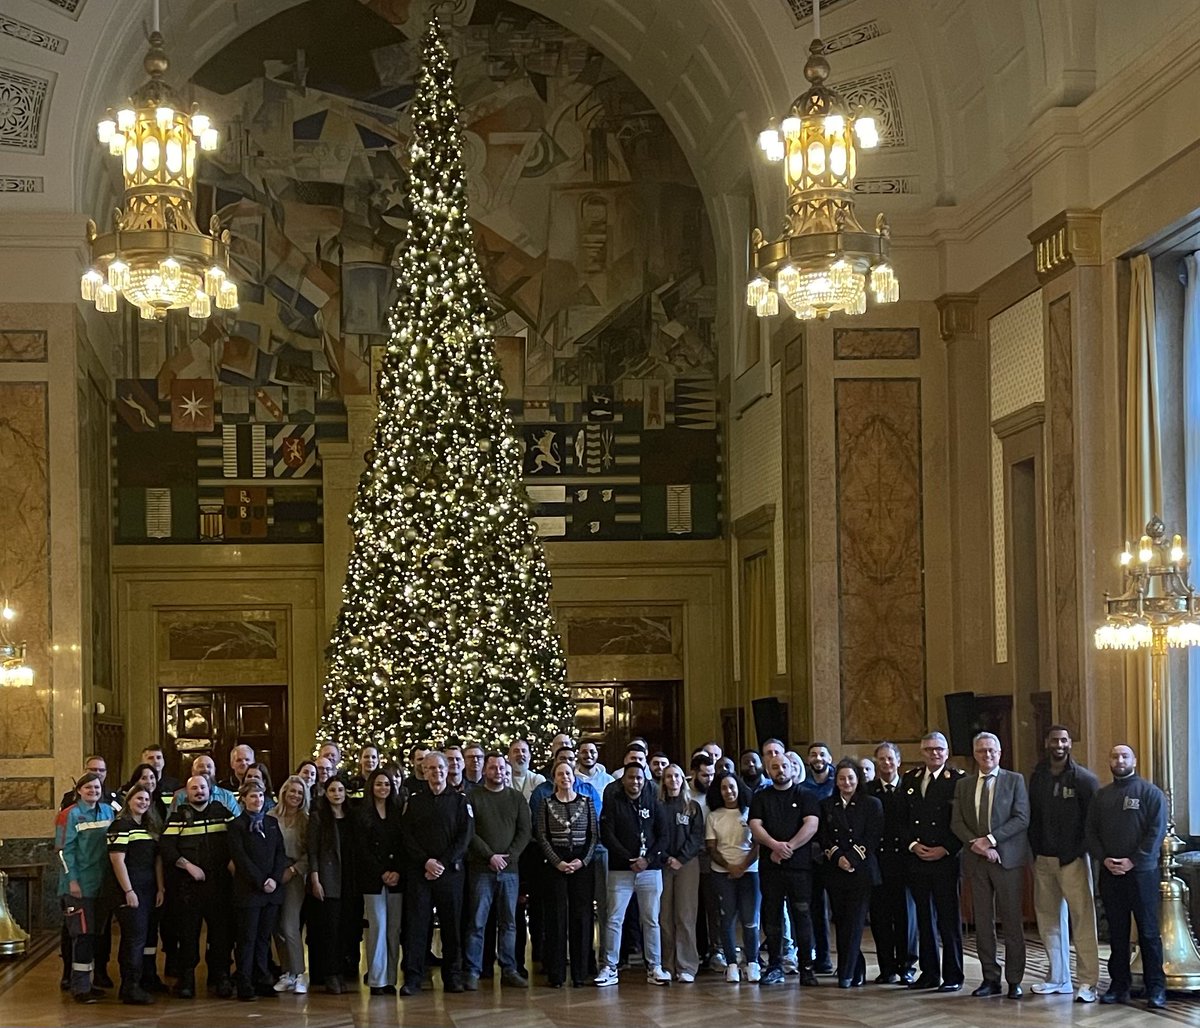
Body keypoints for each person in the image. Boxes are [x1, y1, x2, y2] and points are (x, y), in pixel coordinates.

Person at [1085, 744, 1167, 1010]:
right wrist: (1105, 858)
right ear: (1109, 761)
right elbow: (1091, 833)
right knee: (1117, 933)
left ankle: (1156, 987)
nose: (1119, 760)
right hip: (1110, 873)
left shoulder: (1151, 793)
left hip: (1142, 874)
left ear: (1134, 760)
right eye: (1115, 756)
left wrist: (1133, 861)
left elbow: (1155, 833)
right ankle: (1119, 985)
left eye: (1124, 756)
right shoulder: (1101, 796)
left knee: (1149, 932)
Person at [951, 731, 1030, 998]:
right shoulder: (964, 785)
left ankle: (1014, 980)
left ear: (1000, 753)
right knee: (983, 923)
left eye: (991, 751)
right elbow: (957, 822)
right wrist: (979, 845)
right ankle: (990, 978)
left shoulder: (1015, 781)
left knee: (1011, 923)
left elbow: (1021, 818)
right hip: (976, 861)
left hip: (1007, 860)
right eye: (982, 750)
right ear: (975, 754)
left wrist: (991, 841)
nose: (987, 755)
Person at [1027, 725, 1100, 1002]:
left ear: (1070, 743)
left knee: (1082, 921)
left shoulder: (1084, 779)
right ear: (1047, 742)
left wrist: (1078, 852)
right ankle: (1058, 978)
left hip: (1073, 861)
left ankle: (1088, 982)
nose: (1059, 744)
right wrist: (1035, 852)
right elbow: (1032, 816)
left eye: (1064, 740)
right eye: (1054, 739)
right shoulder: (1038, 777)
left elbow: (1092, 824)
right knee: (1048, 922)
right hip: (1043, 859)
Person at [400, 751, 473, 995]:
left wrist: (441, 863)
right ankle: (413, 977)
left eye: (440, 767)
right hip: (420, 873)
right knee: (417, 927)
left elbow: (464, 837)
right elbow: (406, 836)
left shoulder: (460, 800)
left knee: (452, 927)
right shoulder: (415, 800)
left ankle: (452, 977)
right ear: (425, 771)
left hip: (450, 873)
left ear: (448, 769)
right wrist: (426, 862)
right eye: (431, 768)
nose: (437, 772)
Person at [594, 761, 672, 987]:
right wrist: (629, 858)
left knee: (651, 920)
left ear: (644, 779)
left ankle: (655, 966)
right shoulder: (613, 800)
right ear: (623, 779)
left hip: (650, 870)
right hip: (621, 870)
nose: (635, 782)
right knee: (614, 919)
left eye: (639, 778)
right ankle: (610, 967)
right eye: (631, 778)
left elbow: (663, 835)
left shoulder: (654, 800)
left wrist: (647, 860)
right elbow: (607, 834)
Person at [160, 774, 236, 999]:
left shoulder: (222, 813)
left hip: (219, 885)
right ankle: (187, 979)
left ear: (210, 789)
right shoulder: (178, 816)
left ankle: (221, 976)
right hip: (188, 888)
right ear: (187, 793)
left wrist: (234, 859)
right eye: (194, 788)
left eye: (203, 787)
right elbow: (167, 847)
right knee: (188, 934)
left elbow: (238, 838)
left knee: (221, 934)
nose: (199, 791)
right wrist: (187, 866)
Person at [749, 753, 820, 987]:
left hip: (800, 867)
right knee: (772, 916)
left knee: (802, 915)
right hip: (771, 867)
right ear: (768, 771)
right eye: (775, 767)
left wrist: (788, 847)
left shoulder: (806, 795)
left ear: (793, 769)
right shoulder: (761, 797)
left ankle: (807, 968)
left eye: (784, 766)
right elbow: (755, 825)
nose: (780, 770)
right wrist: (774, 846)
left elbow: (811, 824)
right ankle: (775, 966)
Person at [903, 730, 966, 993]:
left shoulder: (958, 781)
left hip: (945, 859)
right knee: (924, 919)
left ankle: (953, 974)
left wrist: (946, 849)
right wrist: (913, 845)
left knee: (948, 919)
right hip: (917, 859)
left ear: (947, 752)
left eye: (939, 749)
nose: (934, 753)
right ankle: (928, 973)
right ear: (922, 752)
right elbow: (900, 818)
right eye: (928, 749)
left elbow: (963, 821)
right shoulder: (911, 778)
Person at [466, 752, 531, 989]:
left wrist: (509, 857)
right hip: (481, 869)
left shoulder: (517, 799)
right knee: (477, 922)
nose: (498, 772)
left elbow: (524, 832)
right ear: (485, 771)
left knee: (509, 923)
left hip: (510, 871)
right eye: (493, 768)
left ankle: (509, 969)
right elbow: (469, 832)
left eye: (502, 768)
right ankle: (472, 970)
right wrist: (489, 856)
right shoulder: (472, 797)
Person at [819, 758, 883, 989]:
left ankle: (846, 972)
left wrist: (852, 859)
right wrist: (838, 858)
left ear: (858, 779)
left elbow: (872, 836)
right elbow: (824, 837)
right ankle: (856, 968)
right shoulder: (826, 804)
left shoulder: (872, 803)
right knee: (842, 921)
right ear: (836, 781)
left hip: (862, 871)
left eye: (851, 778)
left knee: (855, 923)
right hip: (835, 870)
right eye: (842, 778)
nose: (846, 782)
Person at [536, 761, 598, 988]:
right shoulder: (545, 803)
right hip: (555, 866)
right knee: (556, 918)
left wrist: (582, 861)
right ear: (555, 778)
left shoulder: (587, 802)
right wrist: (558, 862)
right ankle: (557, 974)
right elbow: (542, 836)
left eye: (568, 773)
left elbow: (593, 836)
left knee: (582, 918)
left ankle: (580, 973)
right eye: (560, 774)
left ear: (574, 777)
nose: (565, 777)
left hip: (581, 863)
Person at [61, 771, 118, 1004]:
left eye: (96, 788)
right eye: (88, 788)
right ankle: (80, 987)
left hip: (102, 885)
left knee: (95, 936)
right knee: (82, 936)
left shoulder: (109, 811)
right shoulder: (71, 815)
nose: (93, 791)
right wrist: (72, 880)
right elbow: (65, 851)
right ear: (79, 791)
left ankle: (90, 981)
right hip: (80, 886)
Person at [228, 780, 287, 1000]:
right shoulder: (236, 825)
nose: (258, 800)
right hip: (249, 891)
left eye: (261, 796)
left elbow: (280, 853)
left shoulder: (271, 822)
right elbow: (240, 858)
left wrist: (274, 879)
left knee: (264, 939)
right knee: (247, 939)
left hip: (271, 892)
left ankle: (262, 978)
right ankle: (244, 982)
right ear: (243, 799)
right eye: (253, 796)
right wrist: (261, 880)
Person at [107, 783, 164, 1004]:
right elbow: (117, 860)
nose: (143, 802)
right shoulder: (121, 825)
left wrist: (160, 888)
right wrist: (128, 891)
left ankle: (142, 981)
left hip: (149, 889)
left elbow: (156, 860)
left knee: (147, 938)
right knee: (134, 939)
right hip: (129, 890)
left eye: (146, 800)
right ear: (129, 800)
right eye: (139, 798)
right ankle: (129, 986)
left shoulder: (150, 826)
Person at [867, 741, 917, 984]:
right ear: (876, 762)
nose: (886, 763)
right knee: (880, 916)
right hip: (878, 860)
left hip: (905, 860)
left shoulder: (910, 788)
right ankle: (886, 966)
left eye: (890, 759)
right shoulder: (868, 790)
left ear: (899, 761)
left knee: (906, 915)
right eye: (882, 759)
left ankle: (907, 965)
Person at [705, 771, 760, 983]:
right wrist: (730, 866)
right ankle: (732, 964)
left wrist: (743, 866)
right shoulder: (713, 816)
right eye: (724, 788)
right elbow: (711, 847)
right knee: (726, 919)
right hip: (722, 873)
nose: (729, 792)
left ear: (739, 787)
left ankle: (753, 962)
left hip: (750, 872)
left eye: (732, 787)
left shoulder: (749, 813)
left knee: (749, 919)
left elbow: (757, 844)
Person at [356, 767, 405, 995]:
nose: (383, 788)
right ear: (371, 787)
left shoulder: (398, 811)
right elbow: (362, 849)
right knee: (377, 926)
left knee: (393, 929)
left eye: (387, 784)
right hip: (372, 878)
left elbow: (404, 843)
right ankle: (376, 979)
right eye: (378, 784)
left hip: (397, 877)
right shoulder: (362, 813)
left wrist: (396, 871)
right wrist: (380, 872)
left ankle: (391, 979)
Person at [307, 775, 356, 993]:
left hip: (351, 879)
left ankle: (342, 970)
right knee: (330, 929)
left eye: (340, 790)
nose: (337, 794)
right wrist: (315, 878)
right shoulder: (318, 818)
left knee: (346, 927)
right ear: (326, 794)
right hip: (329, 878)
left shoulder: (353, 817)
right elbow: (312, 852)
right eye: (332, 790)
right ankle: (330, 974)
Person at [658, 764, 704, 982]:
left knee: (685, 916)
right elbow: (654, 834)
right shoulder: (657, 806)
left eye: (677, 776)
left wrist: (681, 858)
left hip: (687, 864)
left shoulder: (692, 807)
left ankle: (687, 965)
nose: (673, 780)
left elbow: (696, 837)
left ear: (682, 779)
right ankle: (667, 965)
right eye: (669, 776)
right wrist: (666, 856)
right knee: (664, 917)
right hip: (663, 864)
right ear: (664, 781)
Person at [269, 774, 310, 994]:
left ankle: (299, 973)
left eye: (299, 793)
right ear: (284, 792)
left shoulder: (306, 820)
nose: (295, 795)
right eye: (292, 791)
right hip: (273, 875)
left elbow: (310, 853)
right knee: (276, 927)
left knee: (289, 924)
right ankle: (287, 972)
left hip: (294, 875)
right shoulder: (270, 816)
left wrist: (294, 870)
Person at [800, 742, 835, 974]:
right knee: (815, 909)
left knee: (840, 910)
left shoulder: (840, 783)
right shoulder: (803, 788)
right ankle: (821, 956)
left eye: (822, 754)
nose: (818, 758)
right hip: (810, 856)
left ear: (829, 758)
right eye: (813, 754)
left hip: (837, 854)